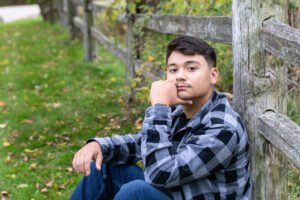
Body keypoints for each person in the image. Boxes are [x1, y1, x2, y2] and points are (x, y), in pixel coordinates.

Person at [70, 36, 251, 200]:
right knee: (105, 168)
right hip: (178, 192)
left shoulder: (222, 127)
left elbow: (160, 174)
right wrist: (99, 145)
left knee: (136, 193)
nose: (180, 76)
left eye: (191, 68)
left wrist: (159, 107)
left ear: (213, 75)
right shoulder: (182, 113)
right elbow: (141, 144)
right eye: (173, 69)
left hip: (180, 191)